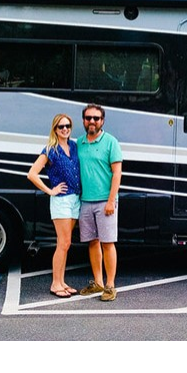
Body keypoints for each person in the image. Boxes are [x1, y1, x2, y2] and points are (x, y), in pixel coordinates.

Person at [27, 113, 81, 298]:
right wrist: (50, 190)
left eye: (67, 126)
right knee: (63, 243)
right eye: (61, 127)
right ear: (55, 129)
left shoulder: (74, 146)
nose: (65, 129)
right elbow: (32, 173)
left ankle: (62, 281)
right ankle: (55, 283)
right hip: (61, 201)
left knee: (66, 244)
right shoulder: (50, 149)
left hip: (75, 199)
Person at [76, 103, 123, 302]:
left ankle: (110, 286)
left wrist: (111, 200)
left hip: (106, 202)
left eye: (96, 118)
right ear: (83, 121)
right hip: (85, 202)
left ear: (102, 121)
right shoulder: (79, 142)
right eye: (88, 118)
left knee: (107, 243)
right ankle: (98, 282)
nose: (92, 121)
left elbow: (117, 173)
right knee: (93, 243)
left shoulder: (111, 142)